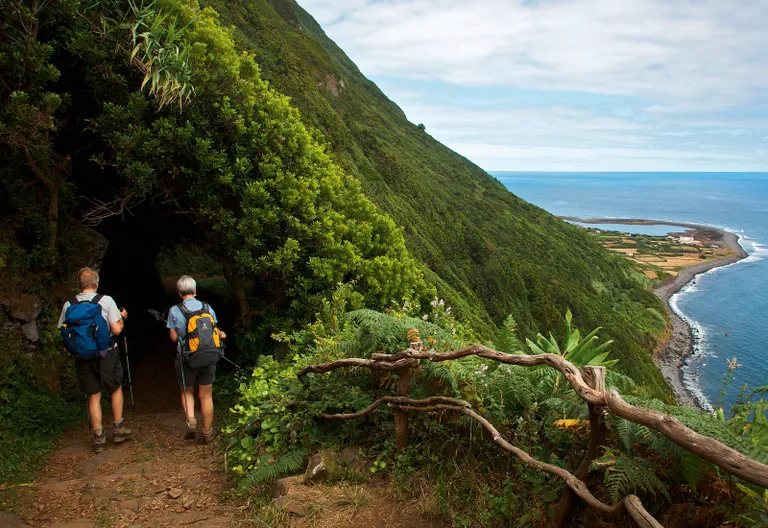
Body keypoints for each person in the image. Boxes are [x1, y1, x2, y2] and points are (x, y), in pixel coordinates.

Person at [58, 267, 131, 453]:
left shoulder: (69, 304)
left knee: (94, 395)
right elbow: (116, 330)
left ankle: (99, 437)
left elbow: (63, 330)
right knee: (115, 388)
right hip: (106, 353)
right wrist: (122, 318)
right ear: (96, 283)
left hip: (83, 357)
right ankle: (118, 428)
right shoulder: (105, 301)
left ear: (79, 285)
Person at [166, 275, 226, 443]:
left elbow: (173, 337)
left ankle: (191, 420)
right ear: (195, 290)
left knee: (187, 391)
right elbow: (215, 330)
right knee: (206, 395)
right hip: (208, 356)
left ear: (179, 293)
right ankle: (207, 432)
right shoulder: (207, 307)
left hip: (186, 358)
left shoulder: (174, 310)